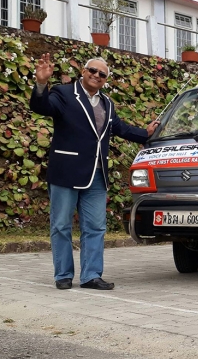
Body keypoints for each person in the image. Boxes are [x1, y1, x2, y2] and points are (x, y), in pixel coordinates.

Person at [30, 54, 159, 290]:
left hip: (97, 175)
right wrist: (41, 84)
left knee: (96, 226)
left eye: (102, 74)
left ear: (105, 80)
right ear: (83, 71)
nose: (96, 76)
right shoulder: (64, 93)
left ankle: (90, 275)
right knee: (61, 225)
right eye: (93, 70)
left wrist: (146, 133)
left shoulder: (107, 103)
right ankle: (63, 275)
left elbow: (119, 128)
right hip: (66, 172)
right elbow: (42, 106)